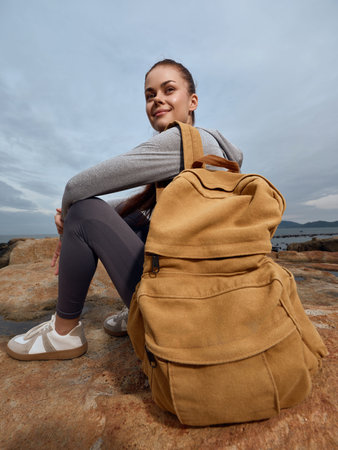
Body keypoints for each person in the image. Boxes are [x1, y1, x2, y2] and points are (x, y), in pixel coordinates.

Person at [7, 59, 243, 361]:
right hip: (210, 299)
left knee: (83, 211)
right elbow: (127, 210)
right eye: (149, 94)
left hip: (181, 305)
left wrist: (69, 221)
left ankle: (63, 333)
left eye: (168, 89)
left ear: (192, 101)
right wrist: (72, 224)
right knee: (135, 216)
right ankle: (134, 309)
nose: (157, 98)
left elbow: (76, 188)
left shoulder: (182, 142)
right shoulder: (211, 152)